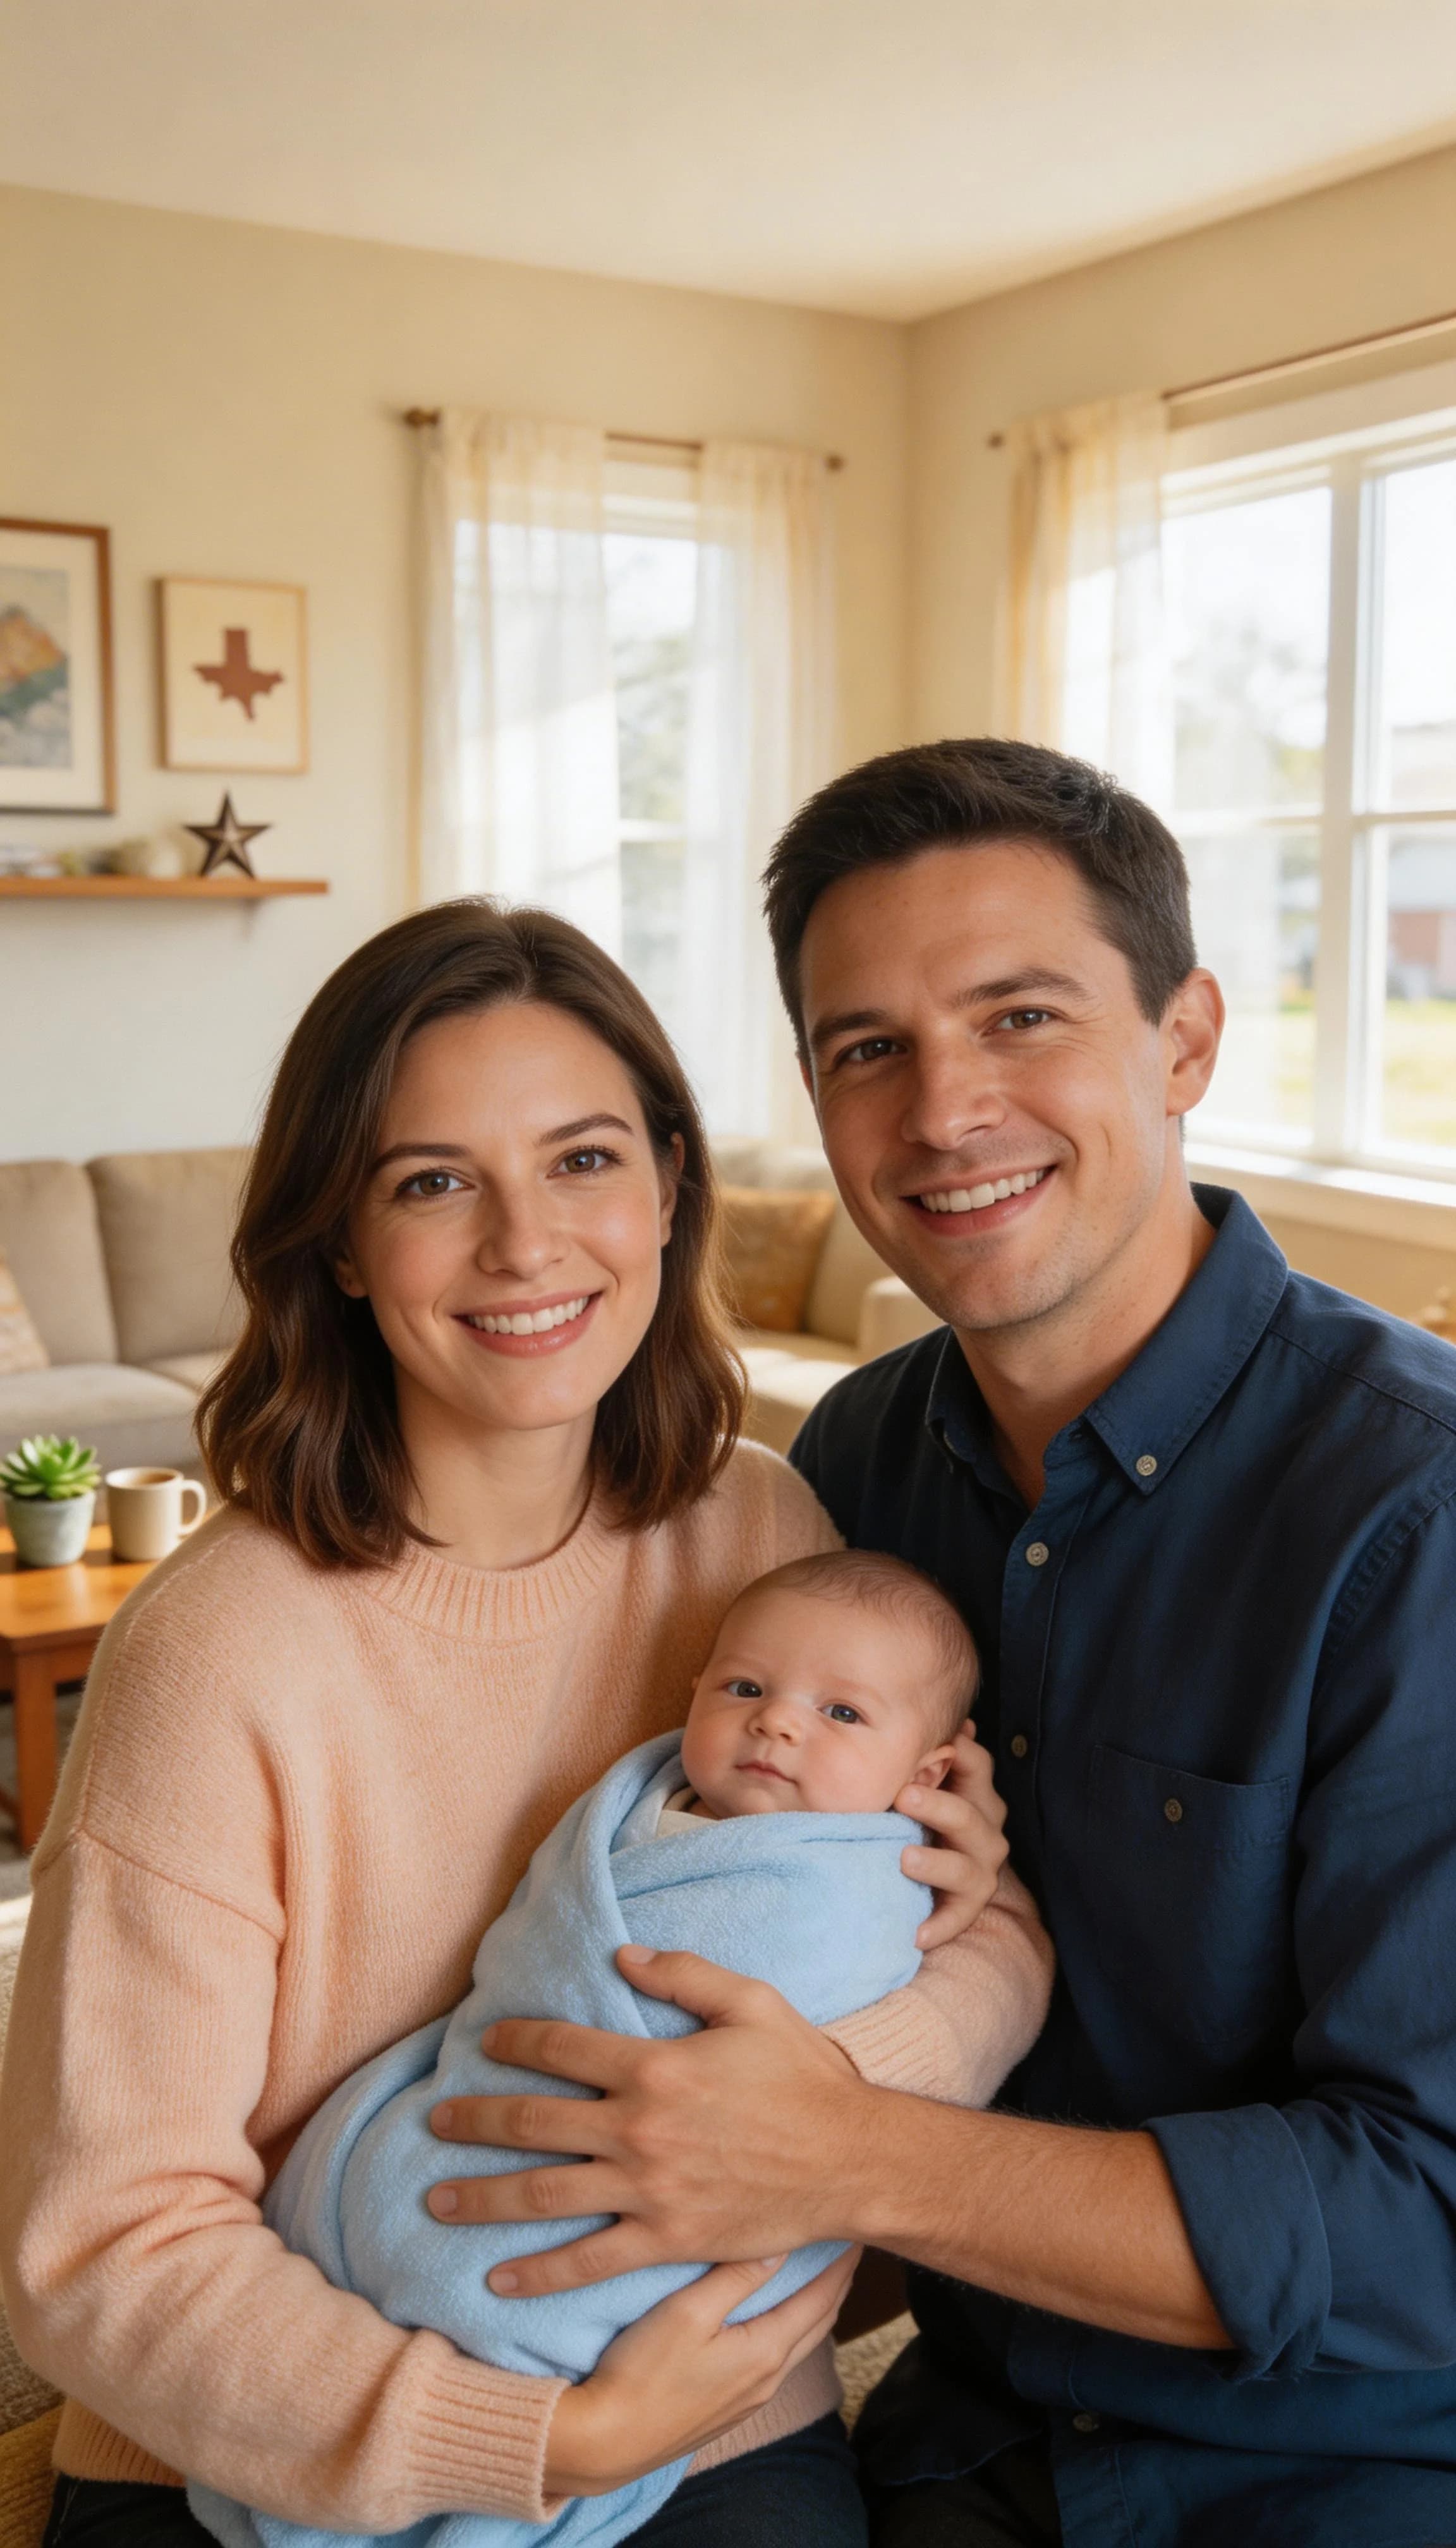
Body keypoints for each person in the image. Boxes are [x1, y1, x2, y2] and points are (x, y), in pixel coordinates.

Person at [424, 745, 1456, 2548]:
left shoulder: (1416, 1519)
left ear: (1189, 1039)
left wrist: (840, 2154)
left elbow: (1431, 2221)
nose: (942, 1113)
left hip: (1343, 2468)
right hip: (949, 2434)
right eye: (865, 1050)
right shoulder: (855, 1471)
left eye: (1021, 1016)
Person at [0, 899, 1052, 2548]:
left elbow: (991, 1945)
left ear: (668, 1187)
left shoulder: (768, 1541)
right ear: (341, 1244)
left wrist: (830, 2098)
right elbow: (99, 2242)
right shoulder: (210, 1651)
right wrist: (542, 2436)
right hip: (268, 2451)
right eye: (434, 1182)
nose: (524, 1244)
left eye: (581, 1161)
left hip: (712, 2418)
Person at [196, 1550, 1044, 2548]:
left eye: (842, 1715)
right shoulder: (637, 1805)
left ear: (931, 1774)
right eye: (744, 1689)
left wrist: (835, 2099)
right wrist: (563, 2437)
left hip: (690, 2343)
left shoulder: (861, 1881)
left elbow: (997, 1952)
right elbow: (538, 1954)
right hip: (311, 2337)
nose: (777, 1720)